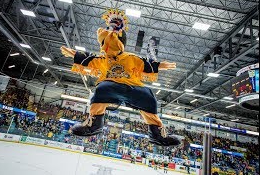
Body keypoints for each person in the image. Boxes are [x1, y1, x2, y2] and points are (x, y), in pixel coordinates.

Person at [60, 8, 181, 147]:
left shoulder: (131, 57)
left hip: (133, 87)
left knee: (149, 97)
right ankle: (94, 124)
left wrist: (160, 65)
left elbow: (145, 65)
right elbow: (89, 58)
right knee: (101, 90)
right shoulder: (103, 59)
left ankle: (157, 135)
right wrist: (75, 54)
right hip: (111, 86)